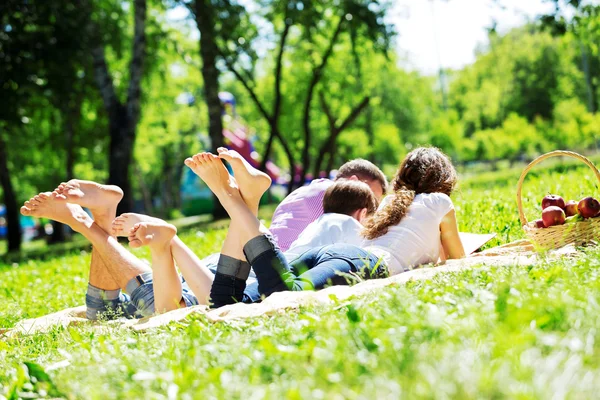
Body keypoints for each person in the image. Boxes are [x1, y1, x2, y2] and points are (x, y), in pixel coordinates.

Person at [190, 146, 464, 308]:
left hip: (334, 253)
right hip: (362, 262)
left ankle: (246, 201)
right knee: (285, 295)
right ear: (443, 181)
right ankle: (233, 199)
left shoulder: (391, 203)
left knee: (225, 303)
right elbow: (456, 260)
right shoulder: (439, 202)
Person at [269, 159, 388, 252]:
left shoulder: (299, 193)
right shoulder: (334, 200)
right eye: (372, 198)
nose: (372, 209)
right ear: (353, 181)